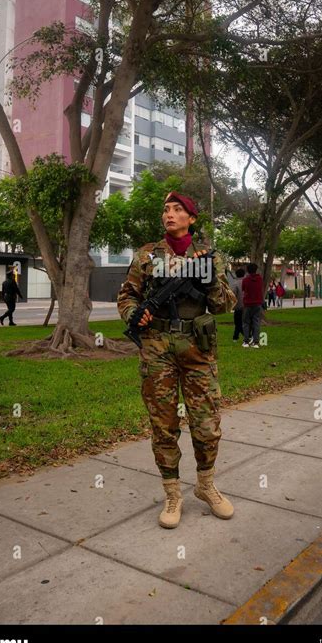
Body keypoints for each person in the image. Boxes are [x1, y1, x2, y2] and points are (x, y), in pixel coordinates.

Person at [117, 191, 237, 529]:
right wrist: (133, 315)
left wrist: (211, 283)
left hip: (198, 348)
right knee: (164, 425)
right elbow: (127, 295)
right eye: (166, 209)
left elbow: (226, 305)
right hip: (157, 346)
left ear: (191, 218)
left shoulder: (210, 258)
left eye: (177, 209)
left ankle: (205, 485)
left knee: (207, 425)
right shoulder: (147, 255)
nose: (169, 214)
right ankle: (172, 493)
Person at [241, 262, 263, 349]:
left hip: (247, 303)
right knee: (256, 322)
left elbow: (243, 289)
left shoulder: (245, 280)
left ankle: (246, 341)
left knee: (246, 322)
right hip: (257, 304)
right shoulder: (260, 279)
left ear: (248, 270)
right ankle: (256, 342)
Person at [230, 268, 245, 342]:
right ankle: (235, 337)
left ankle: (245, 336)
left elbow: (232, 295)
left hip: (239, 306)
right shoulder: (247, 282)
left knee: (238, 322)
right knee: (243, 322)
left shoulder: (235, 284)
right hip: (247, 305)